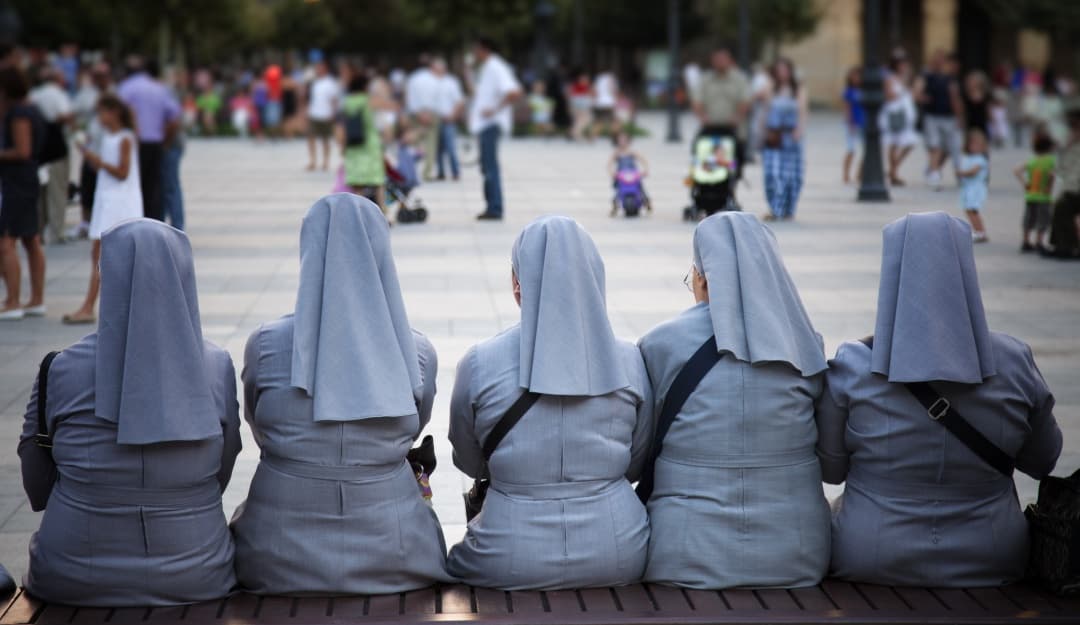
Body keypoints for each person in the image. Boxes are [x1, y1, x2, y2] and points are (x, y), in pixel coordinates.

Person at [816, 211, 1063, 587]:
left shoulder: (855, 364)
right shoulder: (1014, 361)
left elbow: (831, 469)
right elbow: (1043, 460)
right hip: (993, 554)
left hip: (871, 553)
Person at [231, 194, 452, 594]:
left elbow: (259, 428)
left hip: (275, 556)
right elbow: (412, 429)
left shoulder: (265, 345)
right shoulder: (415, 352)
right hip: (398, 555)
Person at [18, 219, 241, 605]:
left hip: (71, 573)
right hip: (196, 572)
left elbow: (36, 487)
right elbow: (221, 470)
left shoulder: (61, 369)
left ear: (108, 275)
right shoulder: (215, 365)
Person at [446, 216, 654, 589]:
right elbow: (637, 462)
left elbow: (467, 459)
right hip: (618, 549)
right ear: (594, 277)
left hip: (505, 553)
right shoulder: (629, 361)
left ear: (516, 284)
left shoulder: (480, 362)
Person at [639, 212, 830, 589]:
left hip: (683, 551)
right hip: (798, 554)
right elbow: (832, 459)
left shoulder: (661, 343)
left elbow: (640, 452)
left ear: (704, 278)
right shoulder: (805, 344)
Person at [63, 95, 142, 324]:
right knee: (98, 254)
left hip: (118, 203)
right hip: (107, 199)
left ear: (114, 112)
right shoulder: (109, 137)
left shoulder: (125, 138)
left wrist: (98, 162)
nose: (99, 118)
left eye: (102, 112)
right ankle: (94, 305)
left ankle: (89, 305)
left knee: (102, 255)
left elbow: (122, 172)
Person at [0, 66, 46, 321]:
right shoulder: (30, 109)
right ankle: (35, 299)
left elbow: (22, 150)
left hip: (17, 181)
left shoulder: (19, 113)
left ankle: (13, 300)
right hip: (27, 180)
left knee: (7, 241)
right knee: (31, 239)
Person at [117, 57, 180, 221]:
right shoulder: (159, 88)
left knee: (134, 186)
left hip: (134, 143)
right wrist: (166, 141)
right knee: (155, 188)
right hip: (155, 143)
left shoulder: (127, 87)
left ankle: (135, 220)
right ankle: (155, 223)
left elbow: (117, 114)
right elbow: (174, 118)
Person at [469, 36, 522, 221]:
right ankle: (492, 205)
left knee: (490, 167)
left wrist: (494, 111)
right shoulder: (487, 68)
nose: (473, 54)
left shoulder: (496, 67)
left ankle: (495, 207)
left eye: (475, 49)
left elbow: (514, 92)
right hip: (485, 125)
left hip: (491, 125)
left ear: (483, 49)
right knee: (486, 166)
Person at [692, 45, 751, 183]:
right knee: (698, 150)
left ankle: (734, 180)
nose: (720, 62)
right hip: (710, 127)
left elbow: (745, 101)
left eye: (723, 59)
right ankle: (702, 181)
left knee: (738, 156)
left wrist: (737, 117)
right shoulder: (705, 79)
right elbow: (697, 100)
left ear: (730, 60)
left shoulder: (739, 79)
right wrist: (702, 117)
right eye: (717, 59)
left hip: (733, 128)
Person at [760, 58, 808, 221]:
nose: (782, 73)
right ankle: (775, 208)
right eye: (779, 70)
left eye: (785, 70)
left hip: (791, 137)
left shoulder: (798, 89)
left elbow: (802, 112)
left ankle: (788, 209)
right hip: (774, 136)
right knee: (772, 174)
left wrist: (799, 130)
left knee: (792, 176)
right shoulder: (770, 88)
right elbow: (765, 111)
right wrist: (762, 133)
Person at [30, 66, 73, 244]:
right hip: (56, 147)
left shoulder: (33, 94)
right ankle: (57, 231)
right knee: (57, 191)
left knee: (40, 192)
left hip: (37, 147)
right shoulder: (58, 94)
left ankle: (37, 232)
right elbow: (66, 115)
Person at [72, 63, 111, 239]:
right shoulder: (86, 94)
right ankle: (86, 223)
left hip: (109, 151)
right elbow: (74, 114)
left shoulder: (115, 93)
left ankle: (105, 222)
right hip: (92, 147)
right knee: (87, 188)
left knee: (106, 189)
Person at [337, 73, 387, 211]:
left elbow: (341, 126)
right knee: (377, 181)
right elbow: (388, 110)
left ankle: (360, 212)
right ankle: (382, 211)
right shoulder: (369, 101)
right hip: (371, 144)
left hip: (353, 145)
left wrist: (342, 145)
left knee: (357, 183)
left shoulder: (346, 102)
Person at [916, 50, 963, 190]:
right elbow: (917, 93)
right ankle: (934, 173)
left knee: (952, 147)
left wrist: (959, 116)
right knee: (935, 146)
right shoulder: (927, 76)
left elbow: (954, 98)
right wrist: (924, 98)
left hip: (948, 117)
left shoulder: (950, 78)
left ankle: (955, 173)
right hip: (932, 116)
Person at [1047, 105, 1080, 259]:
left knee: (1063, 205)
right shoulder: (1072, 146)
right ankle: (1061, 244)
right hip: (1073, 189)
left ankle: (1067, 245)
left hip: (1075, 191)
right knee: (1060, 204)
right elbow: (1062, 169)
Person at [1014, 131, 1055, 252]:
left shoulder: (1032, 161)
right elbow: (1051, 175)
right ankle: (1039, 242)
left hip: (1030, 195)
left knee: (1029, 219)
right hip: (1043, 197)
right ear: (1050, 147)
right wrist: (1049, 186)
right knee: (1043, 220)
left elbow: (1016, 170)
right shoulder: (1050, 160)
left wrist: (1024, 183)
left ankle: (1026, 241)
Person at [880, 60, 919, 186]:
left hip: (906, 115)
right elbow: (889, 95)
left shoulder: (907, 79)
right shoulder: (890, 78)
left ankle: (893, 170)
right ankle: (893, 172)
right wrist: (902, 90)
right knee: (894, 144)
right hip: (895, 114)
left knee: (910, 143)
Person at [432, 58, 464, 181]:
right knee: (437, 148)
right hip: (435, 119)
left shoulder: (451, 82)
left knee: (450, 147)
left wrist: (453, 115)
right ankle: (441, 172)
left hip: (448, 119)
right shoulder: (430, 82)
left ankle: (455, 171)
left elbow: (459, 101)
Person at [957, 128, 990, 242]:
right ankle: (977, 230)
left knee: (973, 210)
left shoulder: (980, 159)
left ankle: (981, 231)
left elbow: (973, 171)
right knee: (968, 209)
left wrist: (962, 173)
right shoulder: (967, 157)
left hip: (975, 188)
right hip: (968, 188)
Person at [607, 130, 650, 215]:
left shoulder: (632, 152)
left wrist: (645, 170)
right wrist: (612, 173)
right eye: (620, 140)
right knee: (618, 190)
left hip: (633, 175)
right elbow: (609, 164)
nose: (622, 142)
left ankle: (646, 201)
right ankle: (615, 205)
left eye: (624, 140)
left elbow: (643, 160)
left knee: (640, 188)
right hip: (622, 176)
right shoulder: (617, 153)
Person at [305, 61, 339, 171]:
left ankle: (325, 162)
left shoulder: (330, 83)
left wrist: (333, 114)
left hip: (326, 115)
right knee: (311, 138)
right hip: (314, 114)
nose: (318, 70)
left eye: (320, 68)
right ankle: (313, 161)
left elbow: (334, 100)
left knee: (325, 139)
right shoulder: (314, 82)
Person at [842, 67, 864, 185]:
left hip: (864, 123)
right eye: (854, 76)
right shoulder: (849, 91)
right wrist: (850, 122)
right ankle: (846, 174)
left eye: (858, 76)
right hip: (853, 124)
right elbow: (847, 108)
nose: (856, 79)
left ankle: (860, 174)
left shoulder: (865, 90)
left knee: (866, 151)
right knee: (851, 149)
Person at [568, 69, 593, 141]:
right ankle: (575, 134)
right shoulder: (576, 87)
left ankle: (574, 133)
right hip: (578, 107)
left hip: (583, 106)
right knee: (581, 120)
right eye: (583, 79)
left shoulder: (586, 87)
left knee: (585, 120)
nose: (585, 81)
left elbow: (590, 97)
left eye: (586, 80)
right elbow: (572, 99)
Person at [963, 70, 990, 136]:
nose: (972, 83)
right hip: (970, 125)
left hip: (982, 125)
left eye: (973, 81)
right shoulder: (965, 95)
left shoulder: (986, 95)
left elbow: (988, 112)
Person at [593, 69, 619, 137]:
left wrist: (595, 101)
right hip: (608, 103)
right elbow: (613, 90)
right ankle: (614, 136)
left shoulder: (599, 79)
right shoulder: (611, 78)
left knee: (599, 121)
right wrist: (616, 99)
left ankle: (593, 135)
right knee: (613, 121)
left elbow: (595, 91)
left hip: (599, 102)